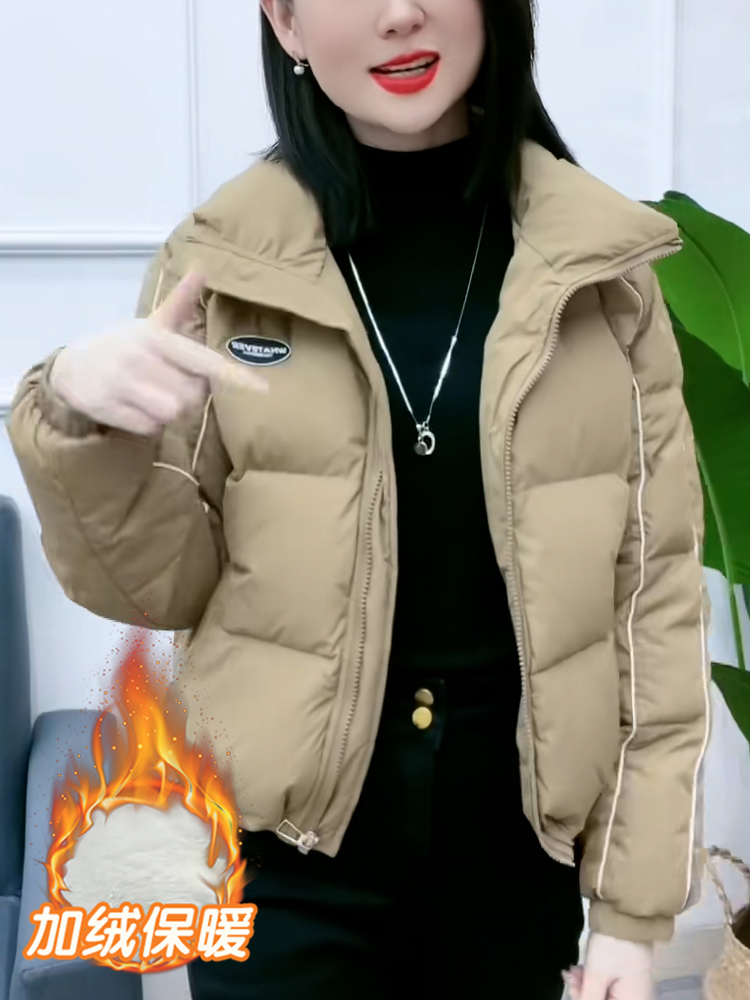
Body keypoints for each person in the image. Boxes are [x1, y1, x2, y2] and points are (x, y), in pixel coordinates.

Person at [8, 0, 712, 997]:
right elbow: (156, 588)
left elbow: (655, 604)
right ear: (286, 22)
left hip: (513, 865)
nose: (401, 14)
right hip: (279, 866)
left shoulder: (600, 271)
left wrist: (634, 916)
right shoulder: (223, 263)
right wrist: (77, 418)